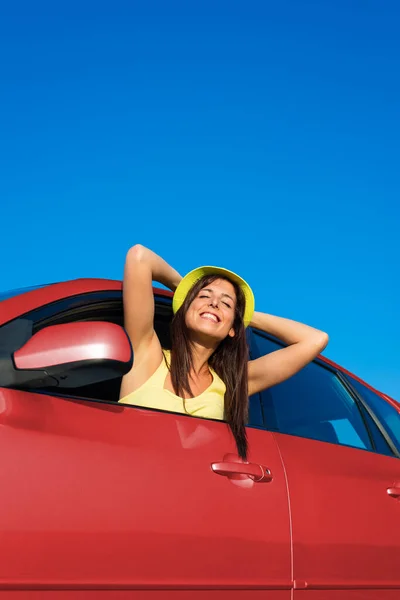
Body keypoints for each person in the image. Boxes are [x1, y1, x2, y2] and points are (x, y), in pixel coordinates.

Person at [119, 244, 329, 459]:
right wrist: (188, 291)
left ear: (233, 330)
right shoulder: (147, 353)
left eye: (226, 303)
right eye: (204, 296)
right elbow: (139, 256)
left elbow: (315, 339)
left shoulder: (230, 384)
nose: (214, 303)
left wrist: (242, 317)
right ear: (184, 310)